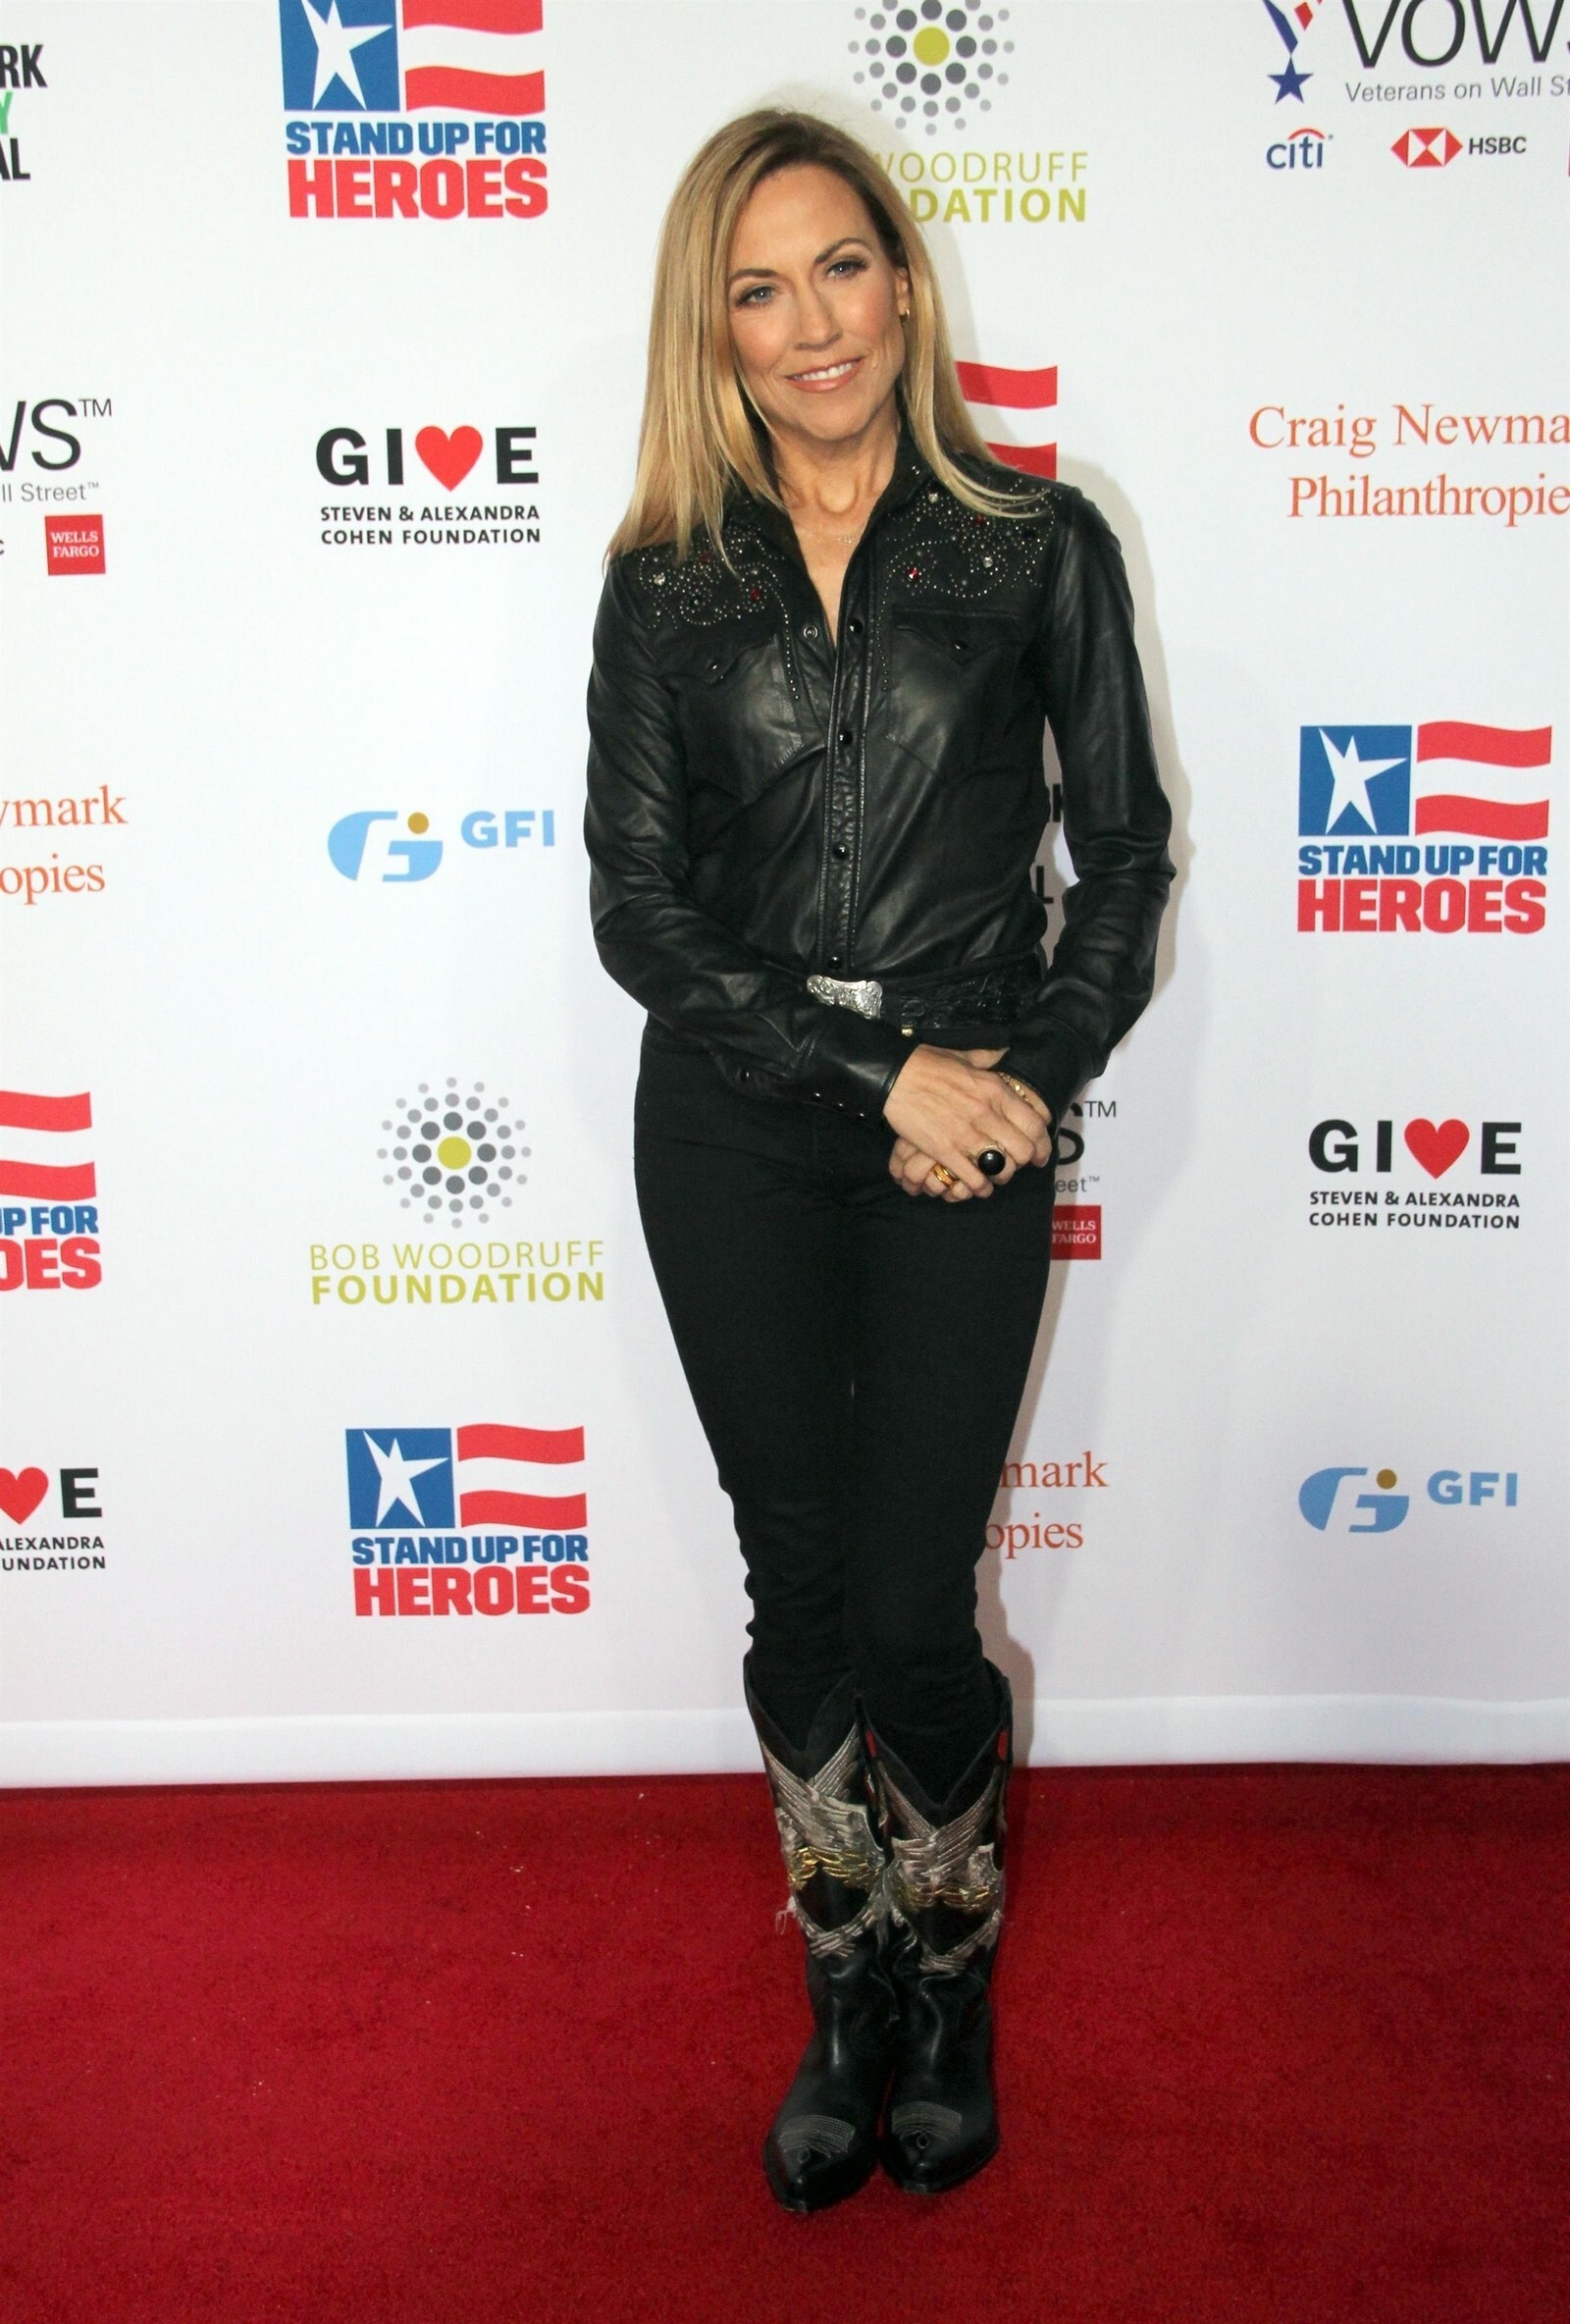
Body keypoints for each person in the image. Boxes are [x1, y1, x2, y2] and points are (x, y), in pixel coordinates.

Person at [586, 109, 1173, 2212]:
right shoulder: (665, 580)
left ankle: (952, 1982)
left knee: (920, 1599)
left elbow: (1125, 864)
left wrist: (1016, 1081)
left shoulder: (1035, 543)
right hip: (735, 1132)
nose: (809, 320)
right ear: (715, 332)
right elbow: (640, 916)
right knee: (801, 1582)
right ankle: (845, 1996)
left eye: (840, 266)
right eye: (757, 289)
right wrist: (879, 1069)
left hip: (964, 1141)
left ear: (906, 287)